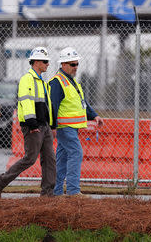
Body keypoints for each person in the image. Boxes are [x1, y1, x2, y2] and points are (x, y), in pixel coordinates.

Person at [0, 47, 56, 198]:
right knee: (30, 159)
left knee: (50, 160)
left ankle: (47, 193)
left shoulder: (41, 81)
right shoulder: (28, 79)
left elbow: (47, 106)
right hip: (33, 126)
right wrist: (32, 124)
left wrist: (51, 125)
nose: (48, 64)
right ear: (36, 62)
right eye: (45, 61)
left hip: (44, 126)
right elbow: (26, 102)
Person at [49, 47, 104, 196]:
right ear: (63, 64)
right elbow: (52, 105)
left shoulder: (71, 82)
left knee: (62, 158)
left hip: (72, 127)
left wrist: (94, 116)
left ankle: (56, 191)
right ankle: (73, 191)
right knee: (76, 153)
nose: (76, 67)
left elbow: (82, 102)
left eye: (77, 64)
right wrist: (53, 126)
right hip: (64, 127)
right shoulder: (57, 82)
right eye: (73, 64)